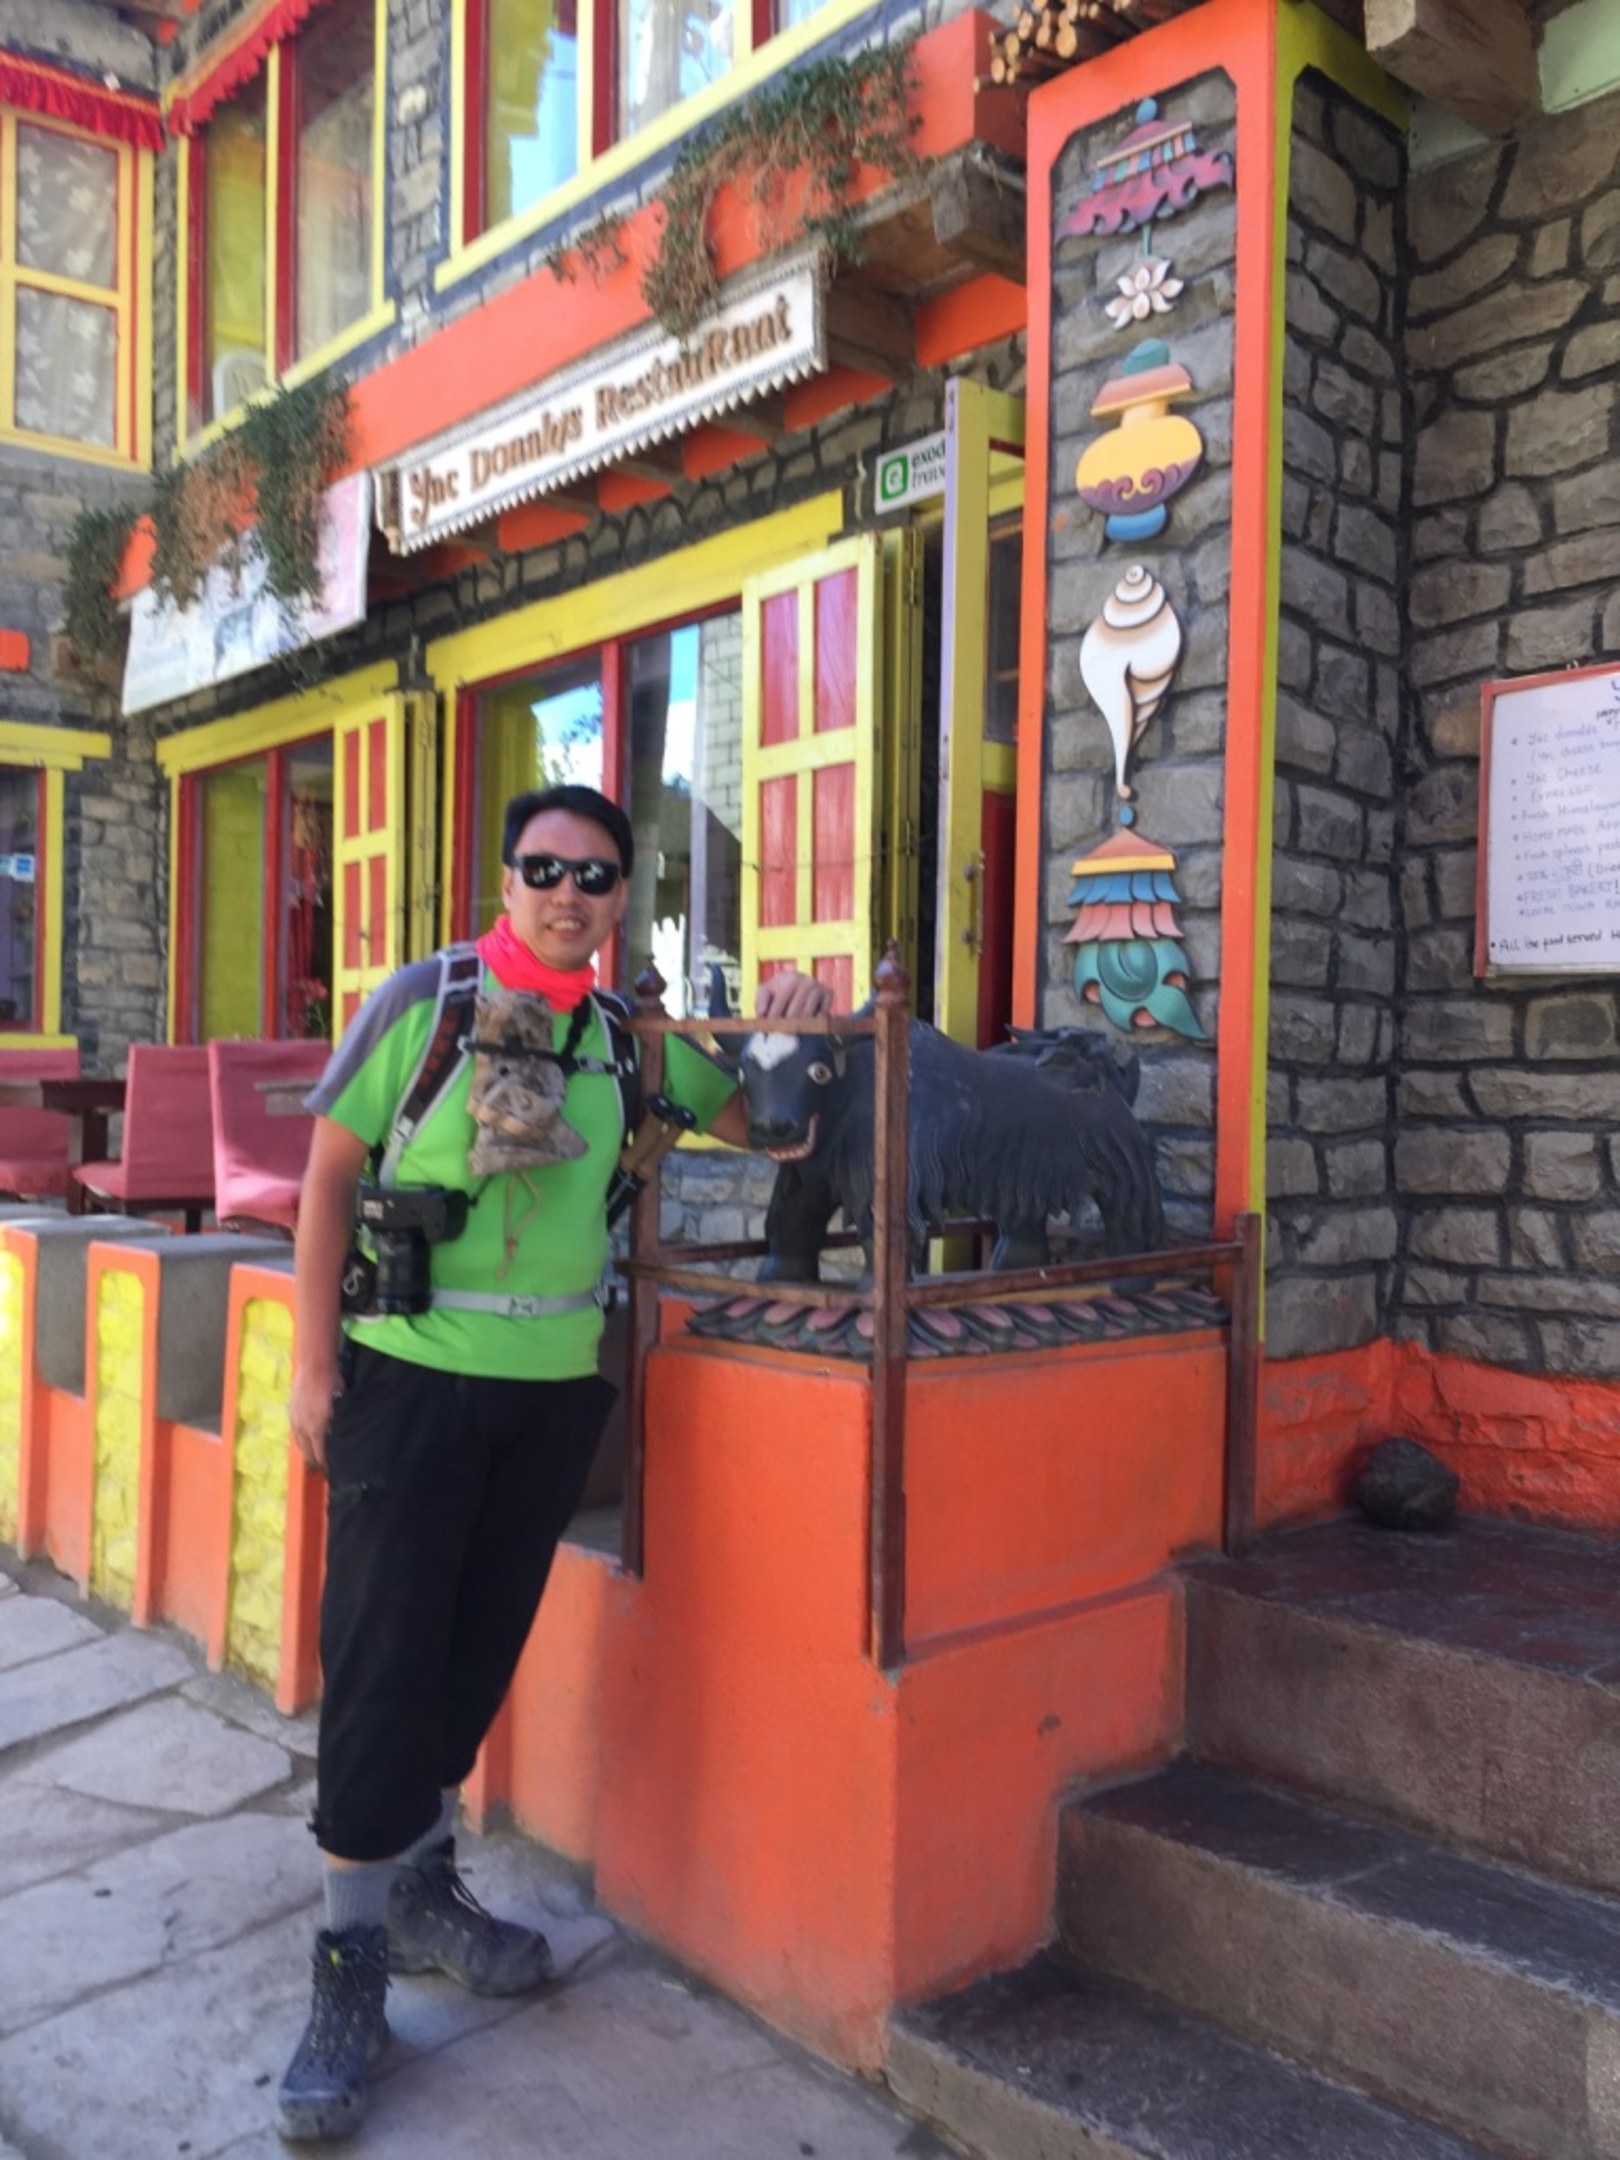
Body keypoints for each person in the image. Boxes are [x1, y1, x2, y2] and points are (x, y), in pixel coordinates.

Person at [277, 783, 831, 2142]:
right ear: (508, 879)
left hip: (548, 1392)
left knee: (474, 1655)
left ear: (623, 897)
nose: (567, 894)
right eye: (544, 868)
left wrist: (789, 1033)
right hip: (411, 1379)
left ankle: (422, 1892)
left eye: (594, 875)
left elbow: (776, 1130)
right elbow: (329, 1173)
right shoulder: (431, 1002)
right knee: (383, 1662)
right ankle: (348, 1966)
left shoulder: (628, 1042)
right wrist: (311, 1363)